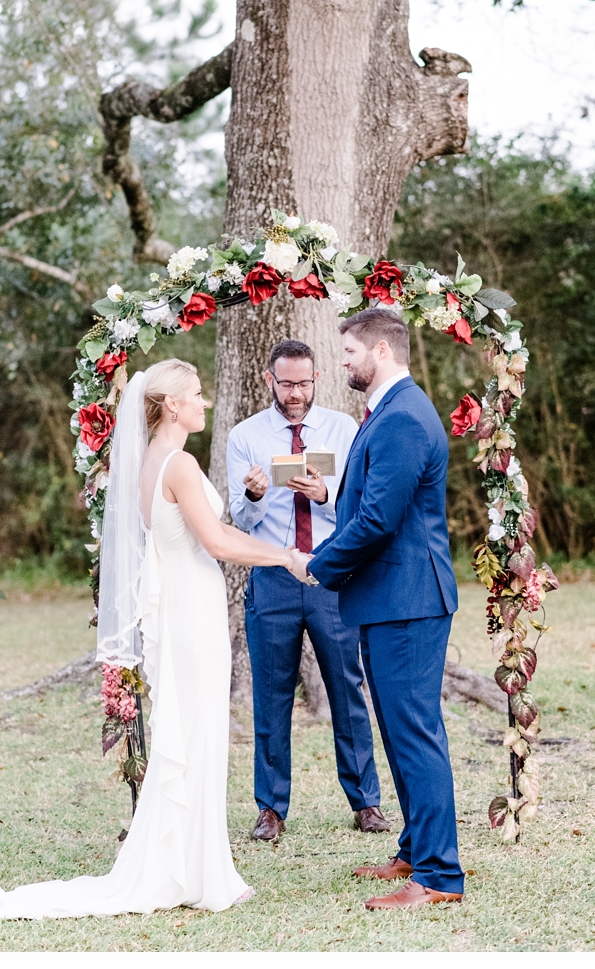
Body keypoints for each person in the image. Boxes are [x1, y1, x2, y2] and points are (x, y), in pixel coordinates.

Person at [0, 359, 310, 922]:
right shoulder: (178, 464)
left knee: (193, 730)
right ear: (171, 405)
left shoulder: (151, 461)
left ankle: (194, 865)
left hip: (181, 605)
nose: (206, 400)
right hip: (192, 610)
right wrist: (287, 556)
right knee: (198, 731)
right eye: (197, 393)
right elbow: (218, 541)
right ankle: (206, 875)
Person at [299, 308, 464, 911]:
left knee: (415, 733)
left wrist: (317, 563)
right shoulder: (390, 413)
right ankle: (416, 849)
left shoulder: (403, 418)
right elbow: (364, 499)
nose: (342, 361)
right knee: (398, 730)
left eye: (348, 351)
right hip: (390, 598)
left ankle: (440, 877)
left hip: (409, 601)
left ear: (382, 352)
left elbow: (377, 519)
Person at [226, 338, 387, 842]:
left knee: (347, 688)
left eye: (304, 382)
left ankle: (367, 802)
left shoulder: (345, 429)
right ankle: (270, 808)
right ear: (269, 380)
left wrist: (327, 494)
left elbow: (364, 510)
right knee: (271, 694)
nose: (295, 393)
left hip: (331, 573)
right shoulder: (245, 436)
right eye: (286, 383)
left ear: (317, 379)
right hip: (273, 576)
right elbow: (238, 517)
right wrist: (254, 494)